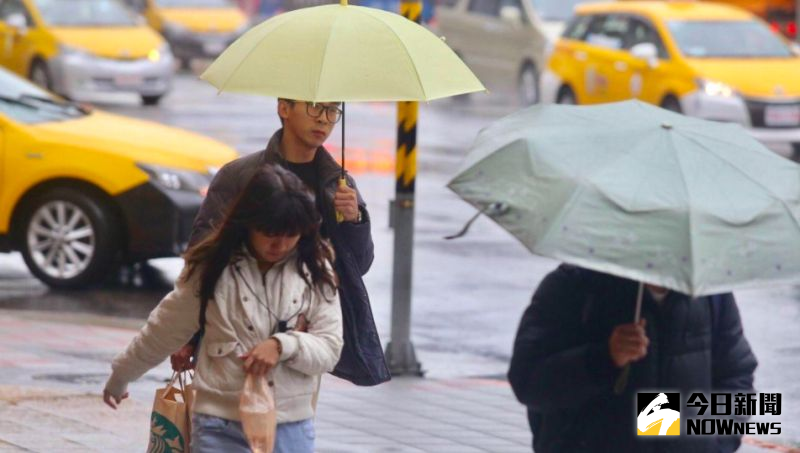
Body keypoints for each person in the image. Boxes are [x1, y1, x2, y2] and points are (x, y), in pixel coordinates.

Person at [103, 166, 343, 453]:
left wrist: (283, 345)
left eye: (291, 234)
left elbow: (330, 348)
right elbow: (163, 329)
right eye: (270, 233)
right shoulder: (213, 267)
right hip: (220, 424)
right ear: (248, 224)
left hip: (289, 425)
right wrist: (121, 375)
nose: (280, 244)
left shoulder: (314, 271)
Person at [170, 98, 390, 386]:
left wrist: (354, 220)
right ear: (284, 108)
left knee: (291, 424)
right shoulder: (240, 176)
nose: (324, 119)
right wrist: (188, 334)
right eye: (314, 107)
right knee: (226, 422)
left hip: (300, 339)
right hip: (235, 329)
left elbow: (357, 266)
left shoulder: (337, 185)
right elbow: (203, 259)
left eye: (332, 110)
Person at [508, 264, 758, 453]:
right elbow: (528, 381)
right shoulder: (574, 285)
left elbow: (737, 379)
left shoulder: (710, 294)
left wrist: (712, 444)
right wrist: (605, 358)